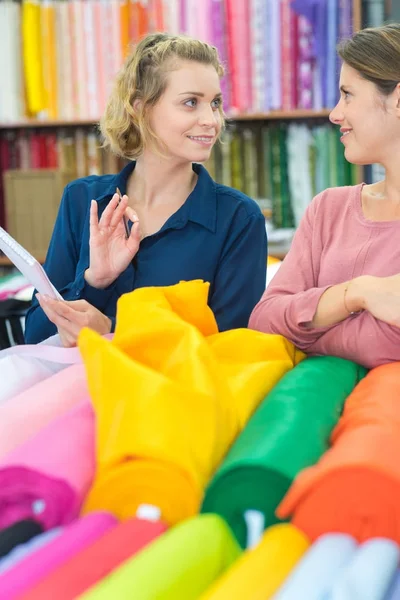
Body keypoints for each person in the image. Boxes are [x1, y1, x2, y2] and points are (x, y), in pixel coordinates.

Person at [24, 33, 267, 346]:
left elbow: (232, 348)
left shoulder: (239, 218)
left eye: (215, 104)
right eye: (191, 103)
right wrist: (95, 281)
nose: (212, 120)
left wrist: (112, 331)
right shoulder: (82, 200)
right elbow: (35, 335)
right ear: (141, 109)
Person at [249, 23, 400, 370]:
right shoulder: (329, 209)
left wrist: (311, 334)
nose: (335, 113)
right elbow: (264, 321)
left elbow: (386, 344)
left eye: (348, 94)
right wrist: (358, 294)